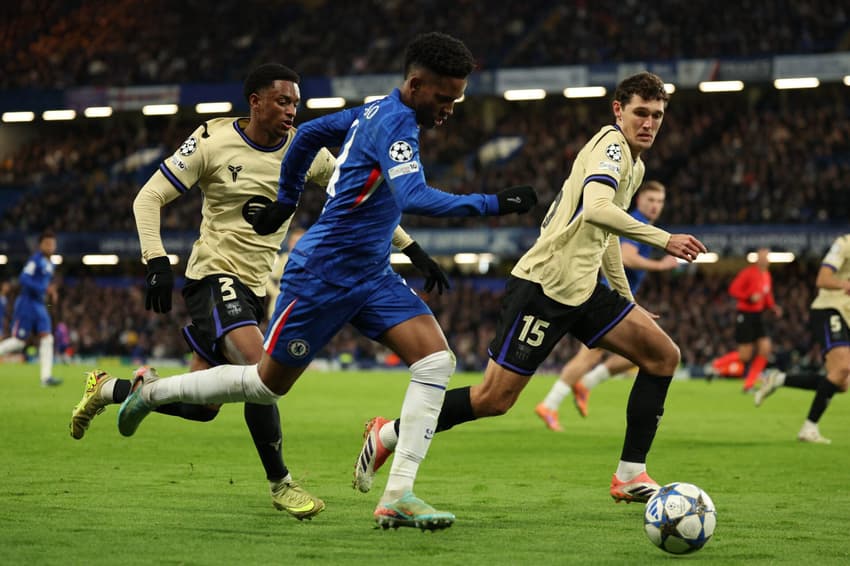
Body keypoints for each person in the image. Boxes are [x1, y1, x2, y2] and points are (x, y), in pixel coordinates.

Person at [112, 32, 537, 530]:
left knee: (436, 360)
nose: (450, 109)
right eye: (444, 98)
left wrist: (287, 200)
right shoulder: (395, 125)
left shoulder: (375, 109)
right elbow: (415, 195)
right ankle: (152, 393)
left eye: (457, 99)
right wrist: (493, 202)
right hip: (323, 275)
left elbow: (309, 134)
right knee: (264, 386)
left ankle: (398, 494)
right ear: (417, 85)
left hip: (371, 272)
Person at [67, 62, 443, 520]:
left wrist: (412, 248)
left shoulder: (307, 152)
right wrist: (156, 261)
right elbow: (148, 197)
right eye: (283, 101)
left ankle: (110, 389)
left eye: (296, 104)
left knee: (204, 408)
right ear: (256, 101)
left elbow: (360, 202)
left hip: (257, 288)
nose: (291, 111)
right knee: (257, 369)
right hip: (213, 276)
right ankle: (281, 483)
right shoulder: (212, 140)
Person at [353, 71, 708, 505]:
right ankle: (388, 432)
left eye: (656, 115)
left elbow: (607, 234)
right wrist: (663, 238)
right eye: (640, 113)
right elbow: (597, 209)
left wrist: (627, 300)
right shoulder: (611, 147)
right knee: (492, 399)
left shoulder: (635, 164)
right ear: (619, 111)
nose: (649, 123)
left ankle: (631, 474)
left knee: (662, 356)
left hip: (584, 287)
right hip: (544, 286)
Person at [535, 180, 679, 431]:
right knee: (639, 352)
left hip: (616, 297)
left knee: (644, 353)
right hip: (608, 296)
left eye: (660, 201)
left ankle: (583, 386)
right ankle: (551, 403)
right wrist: (661, 266)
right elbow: (626, 257)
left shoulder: (644, 224)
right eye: (651, 200)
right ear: (639, 201)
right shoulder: (637, 221)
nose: (655, 206)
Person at [754, 235, 850, 444]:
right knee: (842, 368)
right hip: (830, 309)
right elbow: (822, 279)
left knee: (841, 383)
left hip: (847, 318)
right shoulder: (844, 244)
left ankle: (779, 379)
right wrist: (845, 284)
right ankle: (809, 428)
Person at [711, 248, 783, 390]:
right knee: (745, 355)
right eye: (763, 257)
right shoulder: (748, 273)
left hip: (758, 315)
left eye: (767, 257)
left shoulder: (766, 275)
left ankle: (749, 384)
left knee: (765, 349)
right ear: (757, 259)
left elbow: (766, 295)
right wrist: (749, 297)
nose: (765, 260)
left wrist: (773, 307)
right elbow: (733, 289)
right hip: (745, 314)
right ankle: (717, 364)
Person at [0, 231, 62, 386]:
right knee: (19, 342)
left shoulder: (51, 264)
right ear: (40, 245)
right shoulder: (35, 260)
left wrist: (51, 291)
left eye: (52, 243)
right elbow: (24, 278)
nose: (50, 246)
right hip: (26, 304)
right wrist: (44, 288)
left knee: (47, 338)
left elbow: (44, 284)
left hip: (39, 305)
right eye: (47, 243)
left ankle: (46, 378)